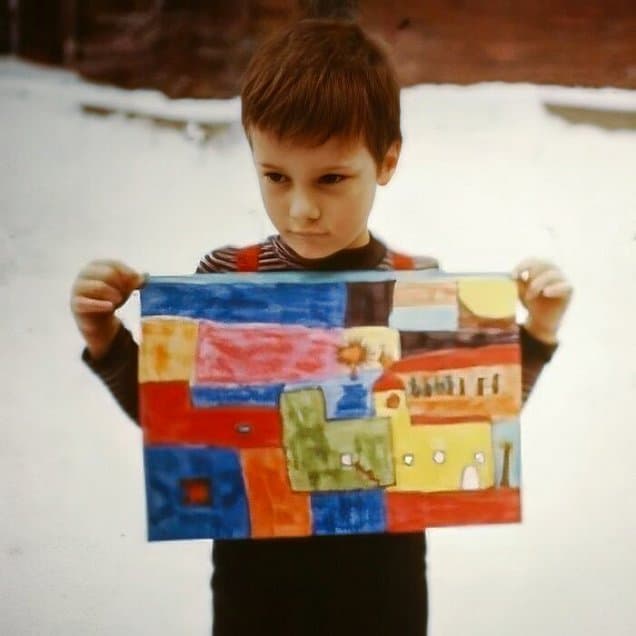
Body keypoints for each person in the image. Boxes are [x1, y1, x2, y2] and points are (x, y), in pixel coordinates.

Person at [69, 18, 572, 636]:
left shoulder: (421, 288)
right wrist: (106, 340)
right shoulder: (227, 280)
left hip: (381, 585)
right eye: (275, 177)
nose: (301, 208)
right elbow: (177, 427)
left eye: (331, 178)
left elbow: (470, 424)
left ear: (385, 162)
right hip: (257, 585)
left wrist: (537, 332)